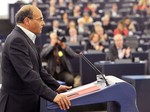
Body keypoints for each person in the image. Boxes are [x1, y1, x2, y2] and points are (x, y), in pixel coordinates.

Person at [0, 5, 72, 112]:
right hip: (17, 104)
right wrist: (53, 96)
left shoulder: (25, 38)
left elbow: (39, 70)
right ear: (27, 21)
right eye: (40, 19)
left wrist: (56, 86)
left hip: (27, 102)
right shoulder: (17, 40)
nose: (43, 23)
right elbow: (28, 74)